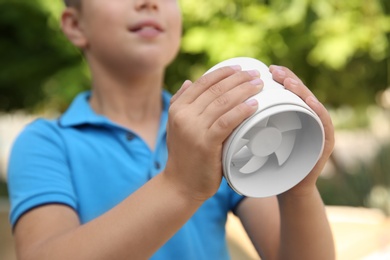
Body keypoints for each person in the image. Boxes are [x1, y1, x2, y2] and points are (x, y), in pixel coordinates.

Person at [7, 0, 336, 259]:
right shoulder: (46, 144)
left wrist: (297, 185)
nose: (150, 2)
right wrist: (179, 186)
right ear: (75, 24)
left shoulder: (221, 130)